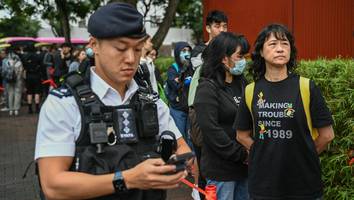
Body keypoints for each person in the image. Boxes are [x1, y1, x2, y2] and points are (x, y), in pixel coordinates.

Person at [35, 3, 191, 200]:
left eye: (137, 49)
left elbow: (182, 147)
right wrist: (128, 179)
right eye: (120, 48)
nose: (130, 58)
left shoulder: (150, 99)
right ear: (94, 46)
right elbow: (53, 185)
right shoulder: (64, 104)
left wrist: (176, 164)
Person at [235, 24, 335, 200]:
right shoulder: (251, 91)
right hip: (263, 185)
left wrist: (302, 154)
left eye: (285, 43)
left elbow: (327, 135)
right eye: (273, 44)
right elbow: (241, 135)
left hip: (303, 185)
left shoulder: (306, 87)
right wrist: (263, 152)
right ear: (261, 51)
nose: (280, 49)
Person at [194, 32, 250, 200]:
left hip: (245, 168)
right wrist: (241, 154)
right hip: (221, 170)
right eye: (239, 56)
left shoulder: (242, 83)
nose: (243, 61)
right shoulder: (207, 88)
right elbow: (211, 130)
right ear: (224, 59)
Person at [188, 10, 228, 198]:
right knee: (202, 150)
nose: (221, 29)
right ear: (208, 28)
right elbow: (204, 67)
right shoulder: (199, 50)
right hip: (198, 106)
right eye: (217, 25)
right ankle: (200, 188)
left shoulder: (228, 48)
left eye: (224, 26)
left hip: (222, 106)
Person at [166, 42, 194, 148]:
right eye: (183, 51)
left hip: (190, 108)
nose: (187, 54)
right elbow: (176, 85)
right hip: (177, 109)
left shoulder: (192, 67)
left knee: (191, 138)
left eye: (188, 51)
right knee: (180, 137)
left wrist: (184, 81)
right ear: (177, 53)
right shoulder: (173, 69)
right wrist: (186, 81)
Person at [1, 48, 24, 116]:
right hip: (18, 80)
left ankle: (11, 110)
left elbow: (3, 72)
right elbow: (21, 72)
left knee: (10, 94)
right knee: (17, 94)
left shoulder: (5, 61)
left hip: (8, 80)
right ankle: (16, 110)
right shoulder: (19, 62)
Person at [22, 45, 43, 114]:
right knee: (37, 91)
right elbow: (41, 65)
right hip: (37, 75)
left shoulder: (24, 56)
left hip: (28, 75)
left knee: (29, 92)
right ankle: (37, 107)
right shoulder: (38, 56)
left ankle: (30, 108)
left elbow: (24, 66)